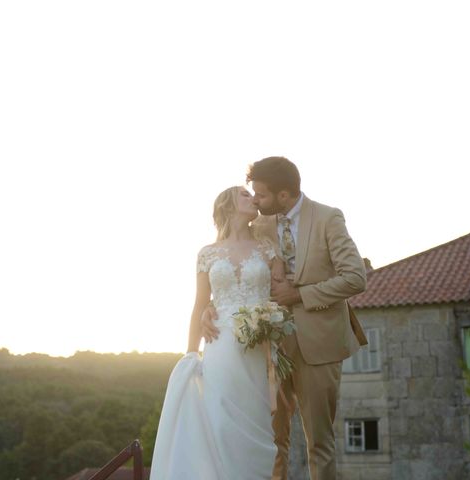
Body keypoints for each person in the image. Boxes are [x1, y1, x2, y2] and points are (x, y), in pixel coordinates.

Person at [202, 157, 368, 480]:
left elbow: (355, 278)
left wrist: (301, 295)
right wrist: (212, 304)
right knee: (272, 440)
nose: (256, 200)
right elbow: (235, 264)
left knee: (319, 442)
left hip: (319, 346)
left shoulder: (327, 218)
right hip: (267, 348)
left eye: (260, 195)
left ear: (283, 194)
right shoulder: (260, 224)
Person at [150, 186, 284, 480]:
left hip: (258, 348)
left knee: (257, 424)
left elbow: (281, 293)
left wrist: (270, 319)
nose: (254, 198)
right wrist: (189, 353)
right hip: (220, 345)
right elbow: (199, 304)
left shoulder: (267, 248)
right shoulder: (207, 254)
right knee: (221, 423)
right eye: (245, 195)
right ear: (228, 206)